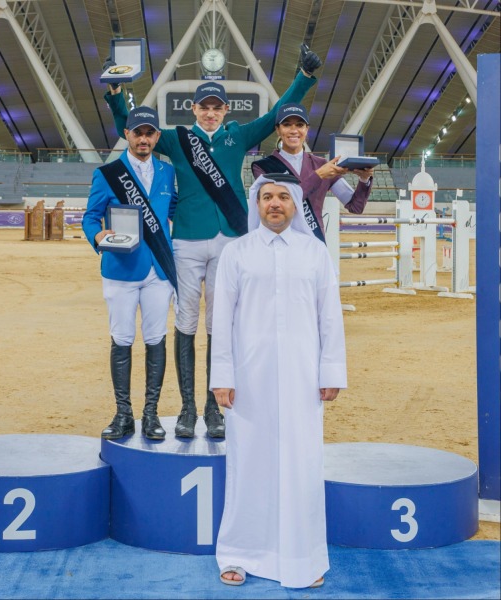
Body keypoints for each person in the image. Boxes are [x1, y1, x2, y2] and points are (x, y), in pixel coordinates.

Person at [104, 44, 326, 439]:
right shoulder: (174, 139)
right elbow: (129, 126)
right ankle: (188, 409)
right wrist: (117, 95)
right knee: (186, 323)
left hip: (229, 241)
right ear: (194, 110)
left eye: (216, 107)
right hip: (187, 240)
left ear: (226, 111)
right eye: (204, 107)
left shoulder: (238, 137)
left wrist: (303, 79)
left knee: (220, 323)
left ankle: (213, 407)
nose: (210, 112)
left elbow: (279, 113)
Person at [209, 172, 346, 589]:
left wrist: (331, 371)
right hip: (249, 380)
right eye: (266, 196)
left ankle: (303, 557)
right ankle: (238, 553)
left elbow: (330, 315)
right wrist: (222, 377)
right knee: (248, 463)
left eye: (283, 197)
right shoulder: (237, 253)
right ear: (256, 204)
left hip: (305, 379)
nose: (274, 204)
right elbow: (222, 320)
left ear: (294, 204)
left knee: (302, 464)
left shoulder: (314, 253)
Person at [82, 106, 178, 441]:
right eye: (138, 132)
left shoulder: (167, 172)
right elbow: (91, 217)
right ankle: (123, 414)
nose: (143, 138)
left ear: (157, 137)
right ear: (127, 134)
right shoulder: (107, 174)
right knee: (122, 339)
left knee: (155, 339)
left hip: (157, 271)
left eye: (150, 133)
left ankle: (150, 415)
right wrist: (99, 236)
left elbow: (174, 210)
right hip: (121, 269)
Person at [251, 103, 374, 239]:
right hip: (280, 242)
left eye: (299, 125)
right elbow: (284, 202)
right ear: (278, 130)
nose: (294, 130)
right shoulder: (262, 167)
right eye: (286, 124)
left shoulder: (322, 164)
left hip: (315, 243)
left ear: (307, 129)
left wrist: (364, 179)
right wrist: (319, 175)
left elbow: (356, 207)